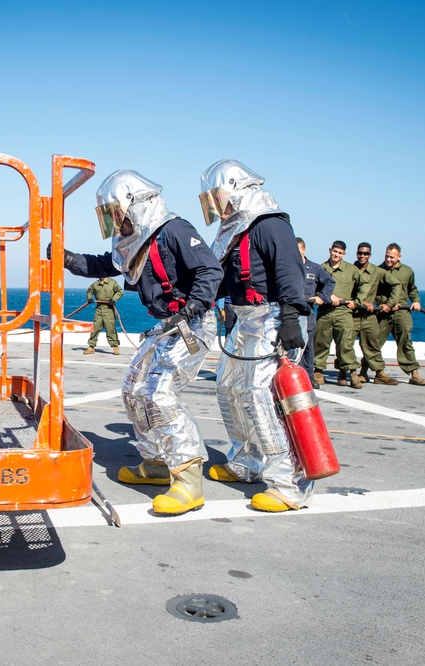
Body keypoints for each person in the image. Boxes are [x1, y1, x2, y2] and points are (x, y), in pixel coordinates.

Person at [58, 169, 222, 516]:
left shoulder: (175, 230)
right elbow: (108, 263)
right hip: (166, 325)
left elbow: (209, 271)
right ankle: (156, 463)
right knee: (134, 389)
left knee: (159, 394)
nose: (115, 220)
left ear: (135, 205)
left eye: (116, 212)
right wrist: (70, 259)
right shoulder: (136, 241)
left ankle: (188, 479)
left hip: (192, 324)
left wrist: (192, 307)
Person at [199, 159, 313, 513]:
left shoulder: (269, 225)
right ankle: (246, 462)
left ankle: (290, 483)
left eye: (218, 197)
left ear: (235, 189)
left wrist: (292, 319)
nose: (216, 206)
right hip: (244, 321)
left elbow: (289, 271)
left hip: (272, 318)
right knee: (229, 388)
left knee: (258, 397)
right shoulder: (234, 230)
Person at [313, 241, 365, 389]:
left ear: (344, 254)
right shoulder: (321, 268)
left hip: (344, 312)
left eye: (340, 253)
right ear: (330, 250)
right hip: (325, 311)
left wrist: (357, 301)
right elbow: (312, 287)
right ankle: (318, 372)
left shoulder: (351, 270)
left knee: (346, 344)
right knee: (320, 343)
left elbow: (365, 284)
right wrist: (328, 296)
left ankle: (352, 373)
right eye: (334, 251)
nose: (336, 255)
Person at [374, 243, 425, 386]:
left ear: (399, 257)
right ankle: (372, 371)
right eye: (386, 256)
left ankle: (414, 373)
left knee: (405, 342)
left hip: (402, 312)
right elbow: (373, 292)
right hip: (384, 313)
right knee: (374, 342)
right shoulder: (378, 271)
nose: (388, 259)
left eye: (392, 257)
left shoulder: (407, 271)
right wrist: (384, 303)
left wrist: (416, 301)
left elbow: (412, 289)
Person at [353, 243, 398, 385]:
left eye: (365, 254)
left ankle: (379, 374)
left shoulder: (376, 271)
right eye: (360, 253)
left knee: (373, 345)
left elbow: (396, 284)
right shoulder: (349, 269)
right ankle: (350, 373)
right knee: (345, 345)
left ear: (370, 255)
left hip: (369, 316)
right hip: (352, 314)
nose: (362, 256)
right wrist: (361, 302)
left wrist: (389, 304)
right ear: (356, 253)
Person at [297, 237, 335, 388]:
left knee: (308, 347)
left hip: (307, 312)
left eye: (298, 251)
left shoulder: (314, 268)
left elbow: (330, 282)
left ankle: (309, 377)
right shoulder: (287, 267)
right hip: (291, 311)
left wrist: (322, 297)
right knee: (292, 346)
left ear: (304, 250)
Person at [84, 276, 123, 355]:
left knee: (110, 328)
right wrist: (89, 298)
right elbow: (89, 291)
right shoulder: (95, 284)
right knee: (95, 327)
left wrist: (114, 299)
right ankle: (91, 347)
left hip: (109, 309)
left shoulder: (113, 283)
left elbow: (120, 291)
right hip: (99, 309)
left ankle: (115, 346)